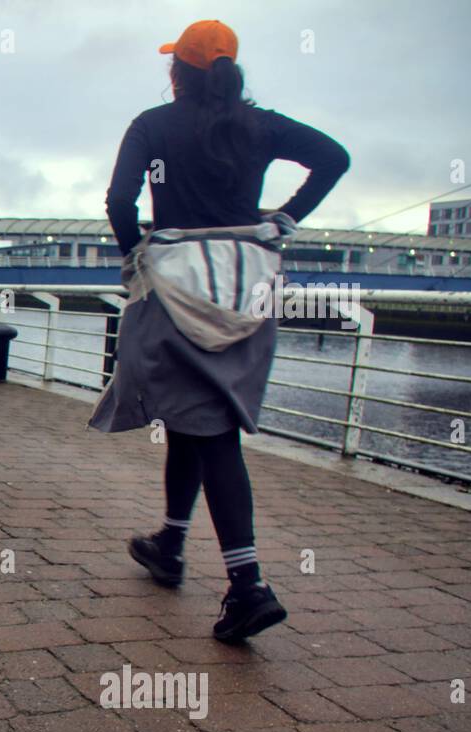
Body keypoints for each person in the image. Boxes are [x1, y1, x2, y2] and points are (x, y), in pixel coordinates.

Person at [90, 19, 349, 643]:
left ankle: (249, 585)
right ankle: (171, 544)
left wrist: (135, 257)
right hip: (246, 286)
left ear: (176, 69)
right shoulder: (257, 123)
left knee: (214, 434)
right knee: (198, 418)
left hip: (178, 286)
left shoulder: (153, 125)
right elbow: (335, 158)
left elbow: (120, 201)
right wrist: (284, 219)